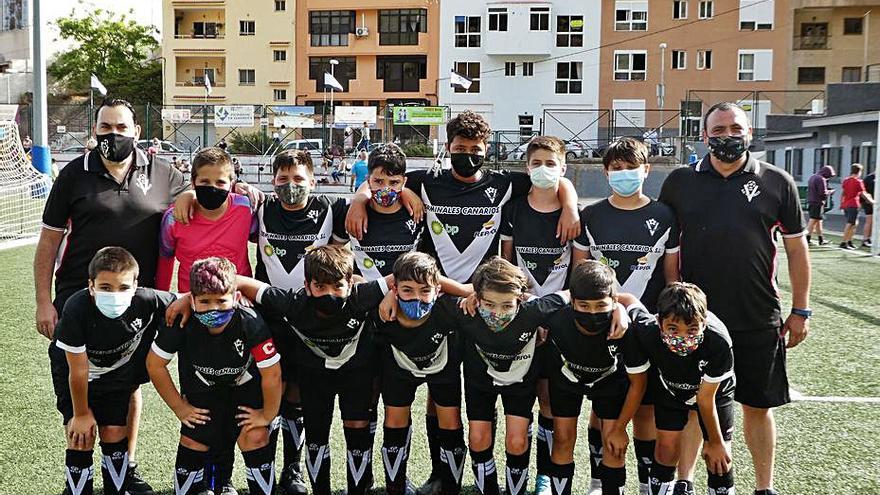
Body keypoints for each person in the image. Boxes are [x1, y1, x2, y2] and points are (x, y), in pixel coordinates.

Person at [346, 110, 581, 495]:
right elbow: (385, 182)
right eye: (459, 148)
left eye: (475, 150)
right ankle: (442, 473)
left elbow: (556, 178)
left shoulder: (506, 184)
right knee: (440, 392)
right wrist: (359, 198)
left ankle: (523, 475)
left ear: (486, 151)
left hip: (487, 304)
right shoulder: (427, 183)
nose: (467, 155)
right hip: (441, 303)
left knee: (471, 391)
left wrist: (570, 206)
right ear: (448, 147)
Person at [36, 98, 191, 494]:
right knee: (78, 375)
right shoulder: (73, 175)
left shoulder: (163, 172)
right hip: (79, 296)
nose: (113, 135)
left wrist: (241, 191)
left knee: (128, 383)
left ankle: (124, 468)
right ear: (95, 131)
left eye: (121, 128)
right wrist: (43, 300)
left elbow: (200, 192)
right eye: (105, 128)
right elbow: (49, 241)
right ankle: (80, 462)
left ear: (137, 132)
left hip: (135, 299)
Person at [659, 102, 810, 495]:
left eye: (735, 128)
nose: (728, 136)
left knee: (758, 406)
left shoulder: (777, 182)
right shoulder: (679, 181)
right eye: (719, 130)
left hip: (758, 315)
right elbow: (669, 249)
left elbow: (796, 250)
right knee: (695, 403)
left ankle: (764, 487)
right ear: (705, 136)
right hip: (698, 319)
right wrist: (674, 303)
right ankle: (684, 482)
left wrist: (800, 310)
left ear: (749, 131)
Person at [236, 245, 392, 495]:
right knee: (317, 437)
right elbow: (236, 280)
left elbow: (404, 275)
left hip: (357, 375)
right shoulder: (293, 302)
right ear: (307, 285)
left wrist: (392, 294)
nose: (329, 294)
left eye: (337, 286)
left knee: (357, 430)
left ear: (350, 283)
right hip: (314, 378)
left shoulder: (361, 295)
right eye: (320, 287)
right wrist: (187, 300)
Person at [572, 137, 679, 495]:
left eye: (632, 168)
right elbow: (582, 277)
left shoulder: (664, 216)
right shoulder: (592, 215)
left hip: (647, 328)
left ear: (646, 170)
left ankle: (648, 481)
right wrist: (613, 305)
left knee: (646, 409)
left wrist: (661, 323)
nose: (624, 174)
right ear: (606, 173)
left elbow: (671, 278)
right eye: (617, 169)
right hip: (602, 326)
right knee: (603, 410)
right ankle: (598, 479)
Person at [254, 149, 349, 495]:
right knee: (270, 389)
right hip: (269, 317)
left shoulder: (330, 209)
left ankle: (292, 468)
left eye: (298, 179)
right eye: (282, 179)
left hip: (312, 320)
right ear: (272, 181)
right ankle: (263, 464)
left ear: (313, 178)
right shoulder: (260, 208)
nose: (290, 186)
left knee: (297, 393)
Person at [148, 257, 282, 495]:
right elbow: (155, 365)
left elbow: (272, 375)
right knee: (194, 438)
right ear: (191, 300)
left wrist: (267, 415)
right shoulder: (181, 320)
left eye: (221, 301)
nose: (214, 309)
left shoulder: (251, 322)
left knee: (256, 435)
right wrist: (180, 408)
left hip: (244, 389)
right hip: (203, 391)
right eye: (205, 302)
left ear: (236, 298)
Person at [54, 247, 177, 495]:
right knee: (81, 435)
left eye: (123, 288)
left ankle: (117, 488)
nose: (114, 295)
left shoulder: (147, 299)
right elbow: (77, 371)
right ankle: (77, 489)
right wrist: (80, 414)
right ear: (91, 286)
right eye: (105, 288)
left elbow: (180, 300)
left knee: (113, 431)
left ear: (135, 286)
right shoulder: (77, 308)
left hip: (115, 374)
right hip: (75, 371)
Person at [457, 257, 571, 495]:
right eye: (489, 305)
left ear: (519, 300)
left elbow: (572, 294)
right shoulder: (465, 311)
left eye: (507, 306)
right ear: (477, 298)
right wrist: (468, 294)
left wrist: (533, 300)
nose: (497, 314)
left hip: (519, 385)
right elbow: (434, 286)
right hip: (480, 383)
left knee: (517, 441)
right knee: (478, 439)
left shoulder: (533, 311)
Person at [499, 135, 573, 495]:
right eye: (536, 163)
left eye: (550, 163)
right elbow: (508, 265)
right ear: (526, 168)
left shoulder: (574, 214)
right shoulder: (513, 210)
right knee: (519, 399)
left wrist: (552, 311)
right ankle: (517, 473)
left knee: (548, 400)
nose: (543, 169)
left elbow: (579, 270)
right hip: (523, 317)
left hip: (559, 321)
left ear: (563, 167)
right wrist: (526, 305)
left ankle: (544, 474)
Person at [542, 261, 646, 495]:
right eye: (584, 306)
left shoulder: (627, 328)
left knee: (614, 444)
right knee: (562, 439)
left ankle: (601, 485)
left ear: (613, 301)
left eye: (601, 306)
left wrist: (620, 428)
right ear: (573, 301)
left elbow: (638, 384)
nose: (592, 313)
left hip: (609, 382)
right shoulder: (555, 318)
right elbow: (522, 301)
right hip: (566, 381)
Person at [624, 283, 736, 495]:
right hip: (670, 389)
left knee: (719, 458)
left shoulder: (718, 342)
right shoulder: (648, 329)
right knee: (666, 448)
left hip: (713, 393)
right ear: (659, 322)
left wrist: (714, 441)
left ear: (704, 323)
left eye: (692, 329)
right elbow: (629, 299)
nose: (683, 337)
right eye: (673, 329)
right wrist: (613, 306)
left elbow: (705, 399)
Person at [371, 253, 469, 495]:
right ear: (394, 289)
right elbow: (351, 283)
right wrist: (387, 295)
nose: (416, 298)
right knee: (394, 420)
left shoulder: (449, 308)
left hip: (442, 367)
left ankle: (448, 486)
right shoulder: (382, 312)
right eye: (407, 290)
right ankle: (396, 487)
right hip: (399, 368)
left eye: (425, 291)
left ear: (438, 290)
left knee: (451, 421)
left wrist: (466, 294)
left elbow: (479, 292)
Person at [156, 147, 254, 293]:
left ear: (232, 184)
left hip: (238, 302)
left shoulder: (246, 208)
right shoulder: (174, 218)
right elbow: (165, 259)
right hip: (190, 304)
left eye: (220, 182)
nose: (212, 188)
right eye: (205, 182)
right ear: (193, 182)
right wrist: (162, 301)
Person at [349, 144, 424, 279]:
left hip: (404, 295)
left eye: (394, 182)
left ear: (404, 182)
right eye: (378, 181)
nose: (385, 190)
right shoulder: (349, 213)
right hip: (365, 295)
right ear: (368, 181)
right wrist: (358, 200)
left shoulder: (417, 211)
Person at [840, 164, 875, 250]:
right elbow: (863, 194)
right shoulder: (858, 181)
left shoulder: (846, 180)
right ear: (859, 172)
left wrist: (841, 204)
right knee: (850, 223)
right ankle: (844, 242)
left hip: (847, 204)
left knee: (854, 223)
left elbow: (843, 193)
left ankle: (849, 241)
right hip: (853, 204)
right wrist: (872, 202)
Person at [806, 165, 835, 246]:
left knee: (818, 221)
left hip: (812, 201)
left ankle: (820, 239)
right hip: (817, 202)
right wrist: (830, 192)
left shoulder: (813, 177)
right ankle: (807, 238)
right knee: (813, 220)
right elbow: (822, 193)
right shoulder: (821, 179)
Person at [861, 172, 875, 248]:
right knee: (869, 220)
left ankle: (868, 238)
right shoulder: (869, 178)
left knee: (873, 221)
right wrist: (867, 200)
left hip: (874, 202)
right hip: (869, 202)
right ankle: (865, 239)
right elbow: (862, 190)